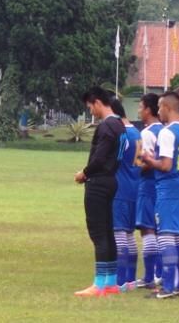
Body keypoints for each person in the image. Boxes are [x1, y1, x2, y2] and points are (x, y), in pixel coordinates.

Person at [73, 87, 125, 297]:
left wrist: (84, 173)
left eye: (90, 107)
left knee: (98, 232)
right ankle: (111, 281)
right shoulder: (121, 126)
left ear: (97, 102)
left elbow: (99, 158)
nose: (90, 111)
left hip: (99, 182)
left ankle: (99, 283)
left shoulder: (106, 127)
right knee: (108, 231)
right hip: (112, 179)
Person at [141, 92, 179, 299]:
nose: (159, 111)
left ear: (168, 108)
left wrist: (148, 158)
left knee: (166, 236)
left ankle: (168, 287)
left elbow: (165, 165)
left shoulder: (166, 132)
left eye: (160, 107)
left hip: (169, 189)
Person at [110, 99, 141, 291]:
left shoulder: (122, 135)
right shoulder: (137, 133)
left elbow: (113, 160)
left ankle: (120, 281)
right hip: (135, 187)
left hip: (120, 189)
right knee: (129, 235)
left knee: (119, 233)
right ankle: (130, 279)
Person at [135, 93, 163, 289]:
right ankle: (159, 273)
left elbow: (146, 164)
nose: (138, 110)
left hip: (148, 184)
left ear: (148, 110)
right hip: (162, 186)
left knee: (147, 228)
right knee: (160, 230)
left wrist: (134, 167)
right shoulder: (166, 130)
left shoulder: (146, 133)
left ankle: (149, 276)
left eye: (140, 106)